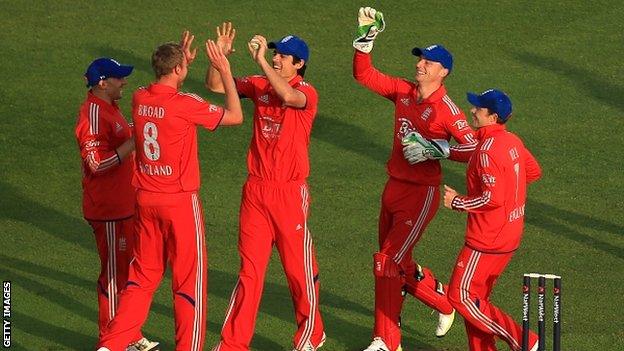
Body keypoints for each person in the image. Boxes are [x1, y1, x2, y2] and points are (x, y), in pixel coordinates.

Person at [96, 31, 243, 351]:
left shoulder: (139, 98)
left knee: (141, 279)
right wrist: (225, 69)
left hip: (145, 201)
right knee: (189, 282)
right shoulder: (184, 104)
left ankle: (111, 344)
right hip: (179, 203)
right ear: (178, 70)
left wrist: (180, 66)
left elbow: (167, 100)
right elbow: (235, 115)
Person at [351, 7, 478, 351]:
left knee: (386, 263)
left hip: (421, 195)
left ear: (443, 72)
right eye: (420, 59)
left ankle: (386, 341)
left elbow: (475, 148)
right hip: (392, 187)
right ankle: (441, 301)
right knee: (395, 264)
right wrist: (366, 38)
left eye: (428, 62)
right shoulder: (403, 91)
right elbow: (364, 76)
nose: (419, 64)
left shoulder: (446, 110)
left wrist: (439, 150)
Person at [205, 23, 325, 351]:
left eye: (283, 57)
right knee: (249, 272)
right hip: (256, 191)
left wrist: (259, 63)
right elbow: (215, 86)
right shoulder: (259, 85)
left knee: (298, 271)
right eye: (275, 53)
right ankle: (232, 344)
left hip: (289, 192)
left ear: (299, 64)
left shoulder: (307, 92)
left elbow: (288, 96)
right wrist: (219, 59)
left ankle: (311, 335)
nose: (276, 59)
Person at [443, 89, 542, 351]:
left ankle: (524, 340)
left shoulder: (487, 150)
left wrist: (457, 202)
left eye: (479, 108)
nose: (473, 111)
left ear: (493, 116)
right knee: (476, 303)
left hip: (486, 240)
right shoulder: (512, 141)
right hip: (510, 235)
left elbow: (491, 199)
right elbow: (532, 172)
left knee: (460, 296)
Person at [75, 57, 158, 351]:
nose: (124, 81)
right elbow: (96, 163)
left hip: (124, 204)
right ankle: (111, 342)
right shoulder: (93, 116)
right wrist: (133, 142)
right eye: (118, 77)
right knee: (113, 276)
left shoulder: (109, 108)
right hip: (108, 209)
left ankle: (128, 333)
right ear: (102, 83)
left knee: (129, 273)